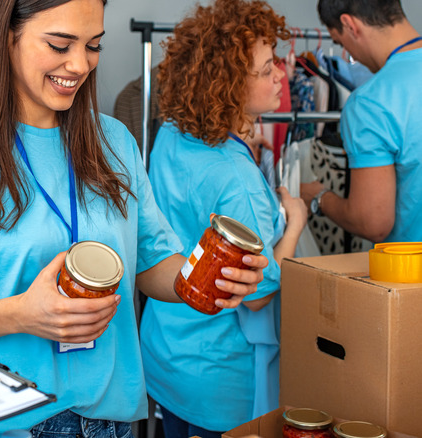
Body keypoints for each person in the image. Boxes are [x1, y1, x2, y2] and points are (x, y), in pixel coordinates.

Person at [0, 0, 269, 436]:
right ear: (6, 36)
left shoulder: (115, 143)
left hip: (112, 420)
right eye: (60, 44)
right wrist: (21, 314)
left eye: (94, 46)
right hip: (8, 424)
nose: (80, 64)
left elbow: (152, 263)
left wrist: (212, 278)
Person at [140, 0, 308, 436]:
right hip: (220, 379)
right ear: (230, 84)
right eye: (267, 67)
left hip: (166, 356)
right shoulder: (237, 177)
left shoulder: (173, 133)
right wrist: (294, 222)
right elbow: (255, 294)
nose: (281, 75)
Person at [300, 0, 422, 243]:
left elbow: (372, 222)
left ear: (349, 25)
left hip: (410, 274)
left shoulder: (370, 103)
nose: (350, 55)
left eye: (339, 42)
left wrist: (319, 197)